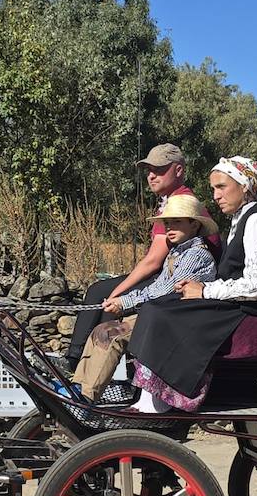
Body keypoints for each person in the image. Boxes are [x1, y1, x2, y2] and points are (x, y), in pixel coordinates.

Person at [125, 156, 257, 412]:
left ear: (244, 185)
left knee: (166, 315)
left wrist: (206, 290)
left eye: (221, 187)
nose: (216, 195)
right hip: (247, 305)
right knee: (158, 306)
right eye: (213, 189)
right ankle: (149, 397)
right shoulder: (243, 218)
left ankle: (165, 401)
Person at [62, 143, 216, 365]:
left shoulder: (180, 205)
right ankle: (79, 362)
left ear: (179, 170)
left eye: (160, 169)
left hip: (175, 283)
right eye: (149, 171)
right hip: (168, 276)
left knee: (104, 296)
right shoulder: (170, 201)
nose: (152, 176)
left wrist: (118, 294)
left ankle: (79, 364)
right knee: (102, 293)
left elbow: (153, 262)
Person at [68, 194, 218, 403]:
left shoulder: (196, 256)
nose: (169, 228)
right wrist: (125, 300)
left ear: (194, 225)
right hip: (162, 315)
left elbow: (167, 290)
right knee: (100, 331)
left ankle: (86, 396)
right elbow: (157, 286)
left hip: (176, 321)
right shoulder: (178, 253)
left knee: (111, 335)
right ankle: (79, 386)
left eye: (176, 222)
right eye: (167, 223)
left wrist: (126, 302)